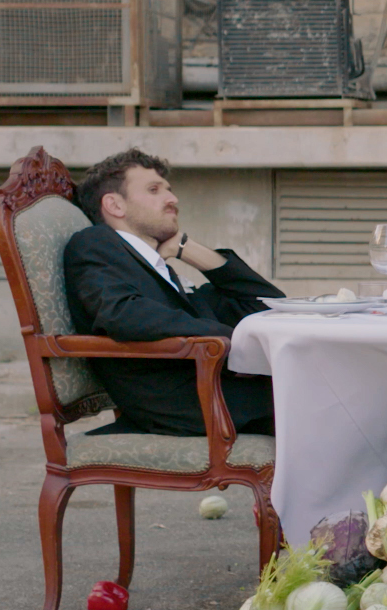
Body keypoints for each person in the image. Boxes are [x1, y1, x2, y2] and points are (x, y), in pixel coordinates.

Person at [63, 148, 283, 436]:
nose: (172, 199)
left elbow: (269, 305)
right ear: (115, 205)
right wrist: (232, 341)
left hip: (215, 390)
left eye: (169, 189)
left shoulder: (158, 269)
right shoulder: (95, 243)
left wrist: (186, 249)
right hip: (184, 404)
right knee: (325, 397)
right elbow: (122, 313)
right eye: (154, 190)